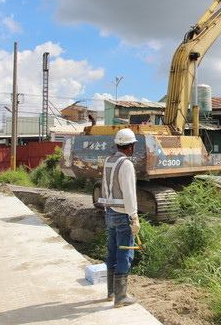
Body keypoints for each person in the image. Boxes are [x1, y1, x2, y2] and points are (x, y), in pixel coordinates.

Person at [98, 128, 140, 308]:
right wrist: (134, 217)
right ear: (130, 146)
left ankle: (111, 293)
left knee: (112, 252)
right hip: (123, 216)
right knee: (125, 254)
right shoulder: (126, 164)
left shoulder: (108, 160)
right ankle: (121, 297)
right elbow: (129, 193)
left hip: (109, 213)